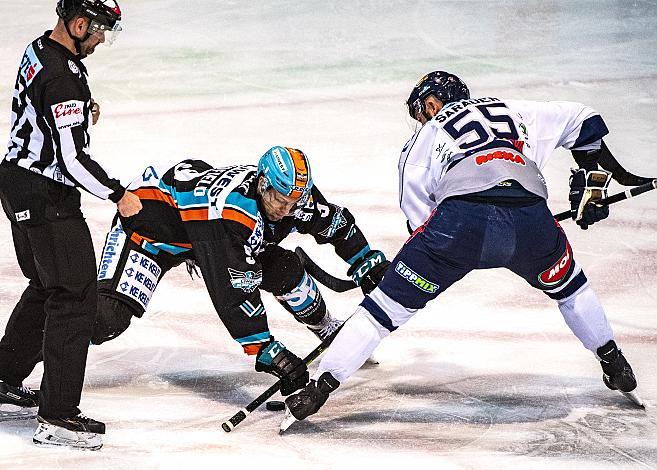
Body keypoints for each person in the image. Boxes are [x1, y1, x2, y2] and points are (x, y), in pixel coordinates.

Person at [284, 71, 652, 423]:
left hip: (457, 229)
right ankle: (615, 363)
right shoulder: (512, 109)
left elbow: (420, 224)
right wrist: (593, 176)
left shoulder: (422, 139)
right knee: (570, 289)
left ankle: (318, 391)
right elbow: (584, 121)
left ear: (431, 104)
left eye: (421, 109)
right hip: (530, 220)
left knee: (381, 313)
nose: (422, 118)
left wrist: (402, 275)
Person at [90, 146, 388, 392]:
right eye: (280, 201)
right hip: (150, 235)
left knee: (284, 269)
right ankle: (50, 352)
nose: (286, 210)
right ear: (262, 184)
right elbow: (232, 292)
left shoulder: (292, 196)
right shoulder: (233, 214)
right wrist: (268, 351)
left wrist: (364, 260)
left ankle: (326, 327)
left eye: (294, 202)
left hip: (205, 235)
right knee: (106, 320)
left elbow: (333, 223)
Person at [0, 0, 141, 450]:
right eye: (99, 31)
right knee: (75, 296)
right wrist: (119, 195)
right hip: (46, 198)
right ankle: (58, 417)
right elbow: (72, 159)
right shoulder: (64, 78)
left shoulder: (41, 51)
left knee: (46, 284)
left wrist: (78, 114)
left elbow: (43, 112)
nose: (101, 40)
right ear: (78, 24)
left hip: (16, 183)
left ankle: (2, 378)